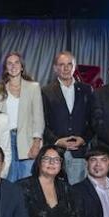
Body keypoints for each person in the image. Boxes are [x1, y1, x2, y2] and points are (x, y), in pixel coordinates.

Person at [41, 51, 95, 184]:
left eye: (69, 64)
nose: (65, 68)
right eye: (61, 64)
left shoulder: (87, 90)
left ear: (74, 66)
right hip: (55, 152)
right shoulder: (45, 91)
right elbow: (41, 122)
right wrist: (57, 141)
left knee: (78, 194)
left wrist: (83, 139)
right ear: (55, 68)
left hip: (80, 152)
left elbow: (93, 120)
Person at [0, 51, 44, 182]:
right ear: (5, 68)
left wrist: (36, 143)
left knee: (27, 181)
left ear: (22, 67)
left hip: (27, 141)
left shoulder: (33, 87)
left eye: (16, 63)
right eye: (9, 63)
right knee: (7, 180)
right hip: (4, 140)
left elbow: (38, 117)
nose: (13, 66)